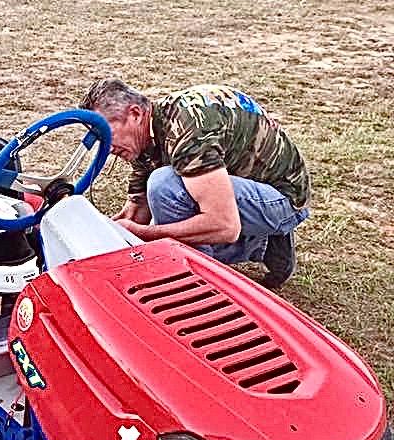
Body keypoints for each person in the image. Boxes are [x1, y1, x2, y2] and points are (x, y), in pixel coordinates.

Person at [80, 79, 310, 289]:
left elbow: (225, 226)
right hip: (248, 187)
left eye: (107, 135)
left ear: (135, 113)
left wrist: (150, 235)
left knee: (165, 186)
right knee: (163, 192)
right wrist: (98, 237)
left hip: (283, 199)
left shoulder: (187, 132)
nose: (107, 149)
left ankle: (197, 280)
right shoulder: (146, 135)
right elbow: (136, 210)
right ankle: (265, 244)